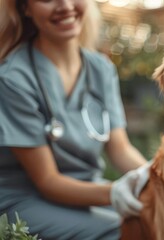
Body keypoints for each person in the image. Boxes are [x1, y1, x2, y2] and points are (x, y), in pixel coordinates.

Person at [0, 0, 151, 239]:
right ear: (25, 8)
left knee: (161, 218)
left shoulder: (101, 69)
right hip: (26, 200)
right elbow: (47, 181)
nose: (65, 6)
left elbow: (120, 149)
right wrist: (113, 192)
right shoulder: (13, 78)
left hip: (88, 191)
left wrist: (156, 178)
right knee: (128, 230)